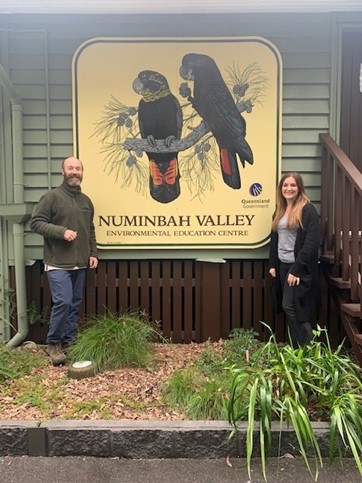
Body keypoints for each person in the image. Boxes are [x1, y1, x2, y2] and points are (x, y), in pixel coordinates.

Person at [30, 156, 98, 366]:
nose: (75, 171)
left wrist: (93, 253)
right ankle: (53, 343)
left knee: (74, 304)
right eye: (71, 168)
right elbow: (36, 223)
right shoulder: (52, 197)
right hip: (57, 263)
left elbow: (90, 229)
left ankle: (70, 341)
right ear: (63, 171)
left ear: (82, 172)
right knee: (63, 302)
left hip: (80, 264)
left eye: (78, 168)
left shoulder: (86, 201)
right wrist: (61, 232)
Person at [268, 172, 320, 348]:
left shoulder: (307, 210)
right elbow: (274, 238)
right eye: (285, 185)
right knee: (289, 308)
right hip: (282, 266)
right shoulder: (280, 209)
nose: (288, 189)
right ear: (281, 189)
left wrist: (297, 269)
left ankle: (308, 349)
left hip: (297, 267)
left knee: (292, 307)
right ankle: (295, 349)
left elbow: (311, 243)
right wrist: (273, 264)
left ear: (299, 188)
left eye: (293, 185)